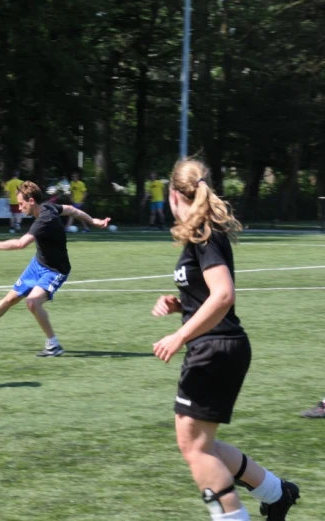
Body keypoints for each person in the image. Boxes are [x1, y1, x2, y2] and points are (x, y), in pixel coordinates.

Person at [150, 159, 299, 521]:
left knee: (195, 449)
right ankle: (276, 494)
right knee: (203, 444)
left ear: (173, 195)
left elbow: (223, 295)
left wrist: (180, 334)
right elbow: (207, 294)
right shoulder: (200, 232)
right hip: (218, 347)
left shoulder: (205, 233)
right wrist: (180, 305)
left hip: (214, 349)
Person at [0, 181, 110, 357]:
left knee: (32, 302)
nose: (19, 207)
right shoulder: (48, 207)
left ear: (31, 201)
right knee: (9, 299)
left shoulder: (45, 218)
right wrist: (93, 221)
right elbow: (71, 209)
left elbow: (20, 244)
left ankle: (53, 345)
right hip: (38, 264)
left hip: (55, 270)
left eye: (21, 203)